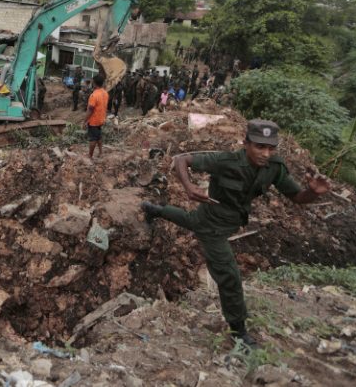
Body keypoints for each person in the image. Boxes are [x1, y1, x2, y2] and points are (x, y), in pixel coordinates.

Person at [141, 119, 331, 348]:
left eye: (271, 148)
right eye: (260, 147)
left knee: (191, 220)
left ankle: (155, 210)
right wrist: (189, 187)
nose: (265, 153)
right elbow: (182, 160)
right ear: (246, 144)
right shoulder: (226, 161)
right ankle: (239, 331)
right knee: (229, 276)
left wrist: (313, 193)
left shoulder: (274, 168)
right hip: (213, 226)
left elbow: (298, 198)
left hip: (223, 221)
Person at [83, 74, 109, 159]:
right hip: (101, 119)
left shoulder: (94, 95)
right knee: (99, 136)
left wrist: (85, 121)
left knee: (93, 139)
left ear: (94, 83)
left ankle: (90, 156)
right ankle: (101, 152)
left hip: (94, 121)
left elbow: (90, 110)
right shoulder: (105, 93)